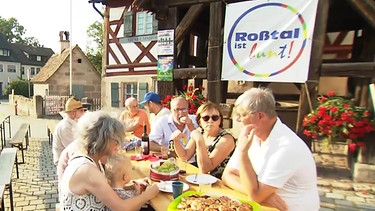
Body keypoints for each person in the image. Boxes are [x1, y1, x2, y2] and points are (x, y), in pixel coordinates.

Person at [222, 87, 319, 211]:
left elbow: (255, 195)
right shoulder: (254, 135)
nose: (238, 119)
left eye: (243, 115)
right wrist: (265, 196)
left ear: (260, 116)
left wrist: (242, 152)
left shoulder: (286, 146)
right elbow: (227, 175)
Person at [60, 110, 159, 210]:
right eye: (116, 141)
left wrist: (132, 186)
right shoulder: (87, 170)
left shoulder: (89, 159)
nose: (118, 145)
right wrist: (148, 195)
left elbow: (106, 190)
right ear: (103, 140)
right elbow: (121, 208)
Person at [173, 102, 236, 179]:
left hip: (220, 183)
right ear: (199, 121)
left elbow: (206, 169)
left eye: (215, 117)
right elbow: (185, 156)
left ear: (219, 120)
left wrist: (200, 141)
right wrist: (175, 141)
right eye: (206, 118)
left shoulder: (226, 139)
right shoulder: (200, 132)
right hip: (202, 179)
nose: (210, 121)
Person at [52, 97, 86, 165]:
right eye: (81, 111)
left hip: (70, 158)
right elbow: (74, 149)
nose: (84, 113)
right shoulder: (65, 127)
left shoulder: (72, 123)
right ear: (73, 113)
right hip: (63, 162)